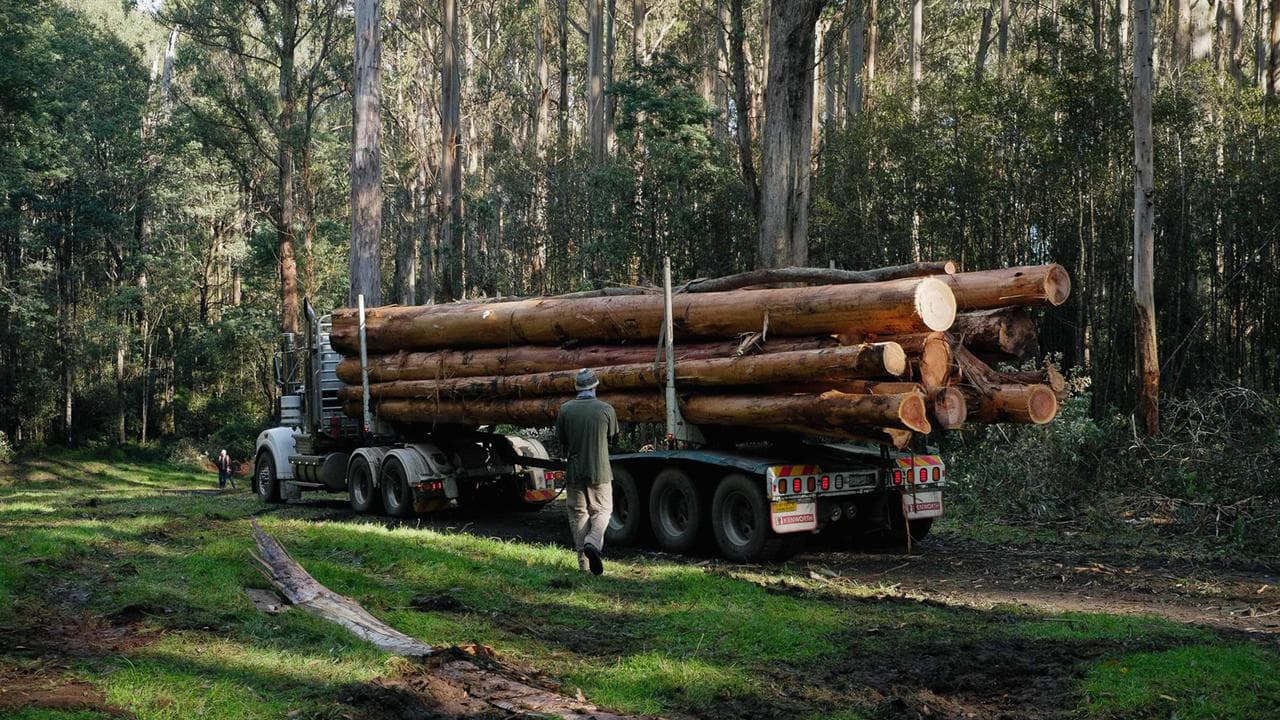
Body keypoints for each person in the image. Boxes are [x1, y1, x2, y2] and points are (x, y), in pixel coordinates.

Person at [554, 368, 618, 575]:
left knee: (578, 516)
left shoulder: (565, 410)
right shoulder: (606, 409)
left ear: (577, 388)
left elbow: (561, 441)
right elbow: (613, 439)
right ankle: (593, 542)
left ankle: (584, 566)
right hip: (600, 471)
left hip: (574, 472)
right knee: (602, 511)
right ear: (594, 387)